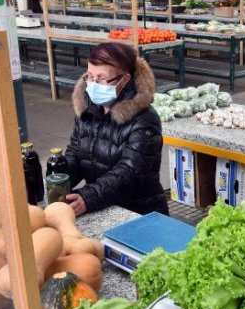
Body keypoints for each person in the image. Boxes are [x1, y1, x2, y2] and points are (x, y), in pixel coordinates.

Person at [65, 42, 168, 216]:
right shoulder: (87, 110)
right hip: (102, 205)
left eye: (102, 79)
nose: (94, 84)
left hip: (139, 212)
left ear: (124, 79)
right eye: (90, 77)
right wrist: (59, 176)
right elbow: (75, 152)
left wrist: (87, 198)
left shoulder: (145, 119)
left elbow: (130, 171)